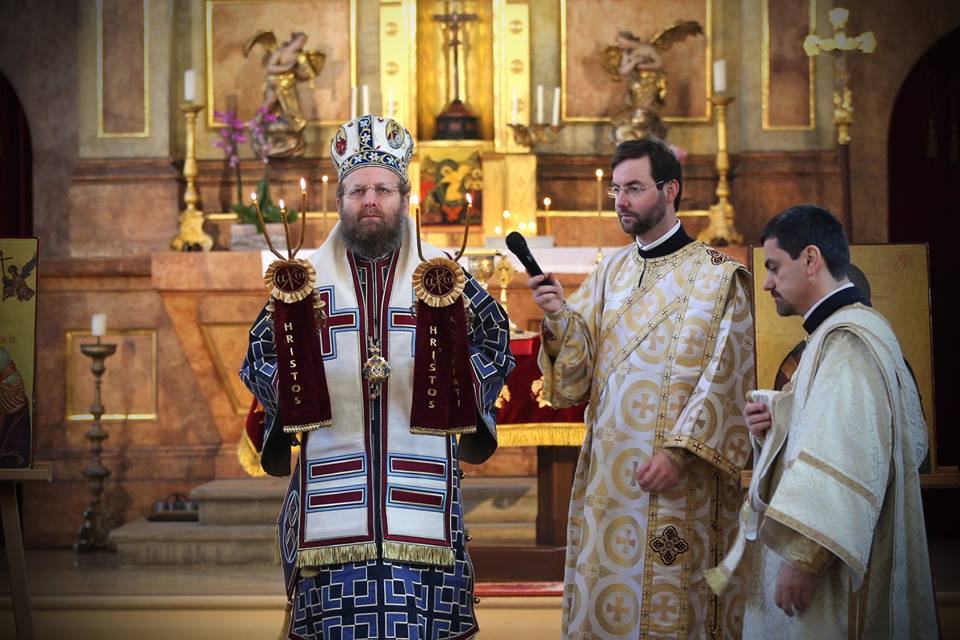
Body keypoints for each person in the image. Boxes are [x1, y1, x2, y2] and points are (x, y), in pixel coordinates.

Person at [240, 114, 514, 639]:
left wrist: (456, 389)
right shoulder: (303, 282)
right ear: (339, 200)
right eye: (358, 190)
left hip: (423, 498)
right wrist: (297, 394)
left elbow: (495, 343)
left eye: (383, 190)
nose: (370, 201)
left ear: (404, 198)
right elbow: (260, 355)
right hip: (331, 497)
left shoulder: (443, 275)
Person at [527, 137, 755, 638]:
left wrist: (679, 454)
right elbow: (574, 377)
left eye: (633, 188)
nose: (620, 202)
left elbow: (728, 376)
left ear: (670, 190)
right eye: (615, 190)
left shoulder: (719, 279)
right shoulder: (609, 272)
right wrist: (558, 314)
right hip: (611, 482)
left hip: (680, 480)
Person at [738, 204, 937, 638]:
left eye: (774, 267)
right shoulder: (842, 332)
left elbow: (849, 452)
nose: (767, 282)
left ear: (811, 259)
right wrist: (779, 418)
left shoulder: (849, 343)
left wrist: (803, 558)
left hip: (830, 567)